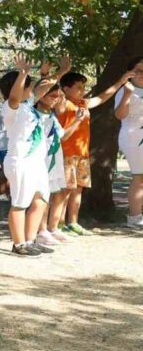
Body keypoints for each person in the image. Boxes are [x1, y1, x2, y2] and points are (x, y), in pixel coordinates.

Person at [53, 67, 133, 235]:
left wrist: (121, 81)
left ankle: (72, 223)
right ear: (66, 89)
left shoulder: (84, 103)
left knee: (78, 189)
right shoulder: (62, 102)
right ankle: (57, 224)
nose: (82, 90)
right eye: (78, 87)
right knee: (64, 190)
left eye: (83, 87)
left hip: (82, 154)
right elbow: (50, 89)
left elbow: (103, 96)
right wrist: (59, 72)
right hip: (66, 154)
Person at [0, 55, 61, 256]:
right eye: (28, 85)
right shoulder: (10, 108)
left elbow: (43, 89)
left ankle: (30, 240)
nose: (33, 89)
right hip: (21, 162)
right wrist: (23, 73)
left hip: (36, 162)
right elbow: (14, 98)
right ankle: (19, 245)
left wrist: (61, 73)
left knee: (41, 200)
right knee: (20, 203)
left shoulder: (28, 105)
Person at [35, 70, 75, 244]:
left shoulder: (51, 115)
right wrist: (46, 74)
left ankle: (52, 228)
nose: (56, 99)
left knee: (54, 192)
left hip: (54, 158)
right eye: (52, 96)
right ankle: (41, 230)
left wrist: (77, 120)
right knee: (42, 195)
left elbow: (62, 135)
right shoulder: (32, 113)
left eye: (57, 96)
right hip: (40, 159)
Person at [114, 56, 143, 229]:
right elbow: (120, 115)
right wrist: (127, 94)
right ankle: (134, 217)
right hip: (134, 137)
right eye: (138, 70)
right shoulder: (124, 90)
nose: (142, 74)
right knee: (139, 177)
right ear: (130, 72)